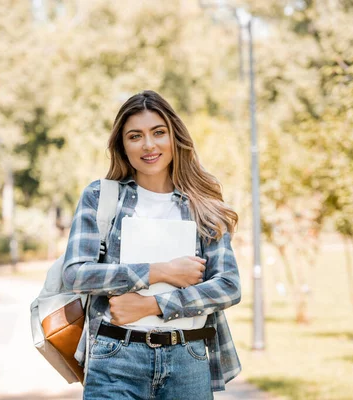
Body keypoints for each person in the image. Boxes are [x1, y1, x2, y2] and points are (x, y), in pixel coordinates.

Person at [62, 90, 242, 399]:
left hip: (187, 359)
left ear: (174, 137)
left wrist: (154, 305)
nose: (148, 145)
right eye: (135, 136)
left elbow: (228, 286)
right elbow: (77, 273)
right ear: (123, 145)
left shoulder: (202, 203)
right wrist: (160, 271)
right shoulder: (101, 197)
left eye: (158, 133)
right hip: (116, 357)